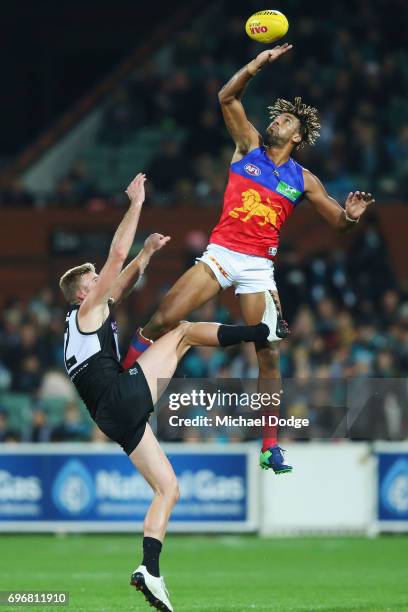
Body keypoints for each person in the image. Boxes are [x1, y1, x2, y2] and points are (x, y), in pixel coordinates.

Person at [122, 44, 375, 473]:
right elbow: (226, 97)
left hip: (259, 266)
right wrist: (256, 65)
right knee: (162, 319)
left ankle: (270, 446)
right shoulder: (248, 147)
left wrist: (350, 218)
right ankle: (122, 383)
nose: (276, 121)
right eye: (277, 116)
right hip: (222, 253)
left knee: (268, 352)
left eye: (286, 120)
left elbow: (339, 225)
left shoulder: (305, 179)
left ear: (297, 137)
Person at [59, 173, 279, 612]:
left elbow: (122, 279)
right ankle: (261, 330)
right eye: (93, 277)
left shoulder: (81, 322)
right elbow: (115, 257)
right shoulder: (87, 307)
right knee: (181, 333)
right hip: (119, 396)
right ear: (84, 290)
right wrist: (136, 203)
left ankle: (150, 570)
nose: (100, 278)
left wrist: (147, 254)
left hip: (111, 416)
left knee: (169, 488)